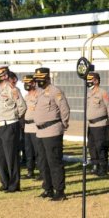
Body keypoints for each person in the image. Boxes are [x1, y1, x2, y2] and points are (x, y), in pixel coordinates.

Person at [33, 67, 71, 201]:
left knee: (54, 162)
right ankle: (47, 188)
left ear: (47, 78)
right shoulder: (39, 92)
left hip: (52, 130)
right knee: (43, 162)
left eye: (41, 79)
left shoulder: (55, 91)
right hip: (40, 132)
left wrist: (63, 125)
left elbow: (64, 110)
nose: (39, 81)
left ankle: (59, 191)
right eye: (37, 79)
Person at [0, 65, 27, 192]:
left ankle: (14, 184)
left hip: (9, 125)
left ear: (5, 76)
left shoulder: (12, 89)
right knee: (1, 157)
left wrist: (14, 118)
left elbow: (22, 107)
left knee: (11, 157)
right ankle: (5, 182)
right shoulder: (0, 89)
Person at [86, 71, 109, 177]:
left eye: (91, 80)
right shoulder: (89, 93)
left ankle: (103, 168)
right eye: (88, 80)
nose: (88, 82)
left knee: (101, 147)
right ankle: (95, 166)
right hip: (91, 125)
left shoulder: (103, 93)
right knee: (92, 146)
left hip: (101, 124)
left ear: (97, 81)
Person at [22, 74, 40, 179]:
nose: (26, 85)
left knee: (38, 151)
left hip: (35, 126)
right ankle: (30, 171)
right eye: (25, 83)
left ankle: (42, 171)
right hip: (27, 126)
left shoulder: (39, 95)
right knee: (28, 151)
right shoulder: (26, 96)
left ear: (34, 83)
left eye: (28, 82)